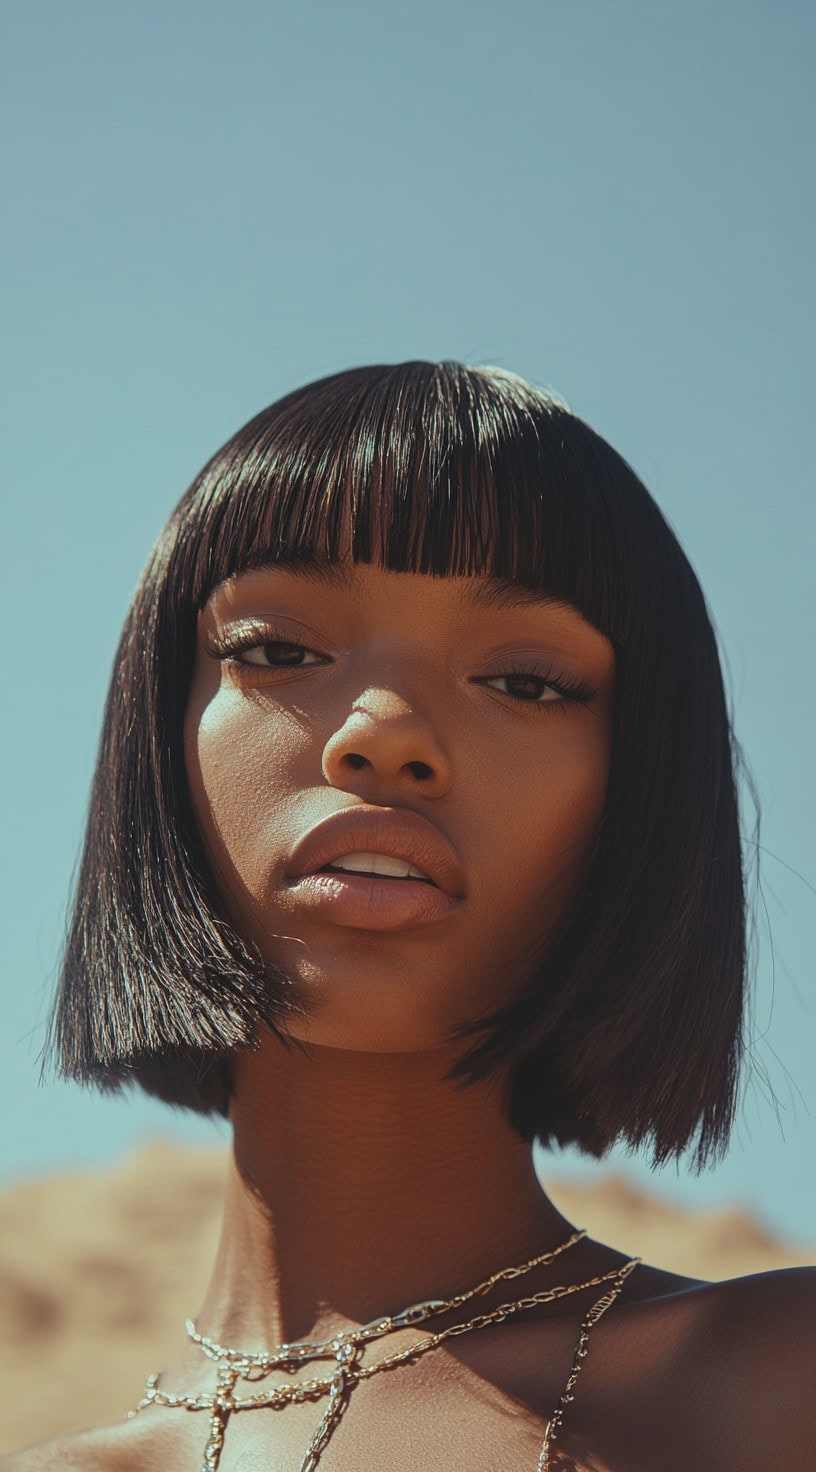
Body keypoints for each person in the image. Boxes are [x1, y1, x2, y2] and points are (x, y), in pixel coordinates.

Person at [6, 361, 813, 1471]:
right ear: (157, 733)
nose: (383, 733)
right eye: (279, 651)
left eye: (526, 679)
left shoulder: (774, 1384)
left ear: (641, 788)